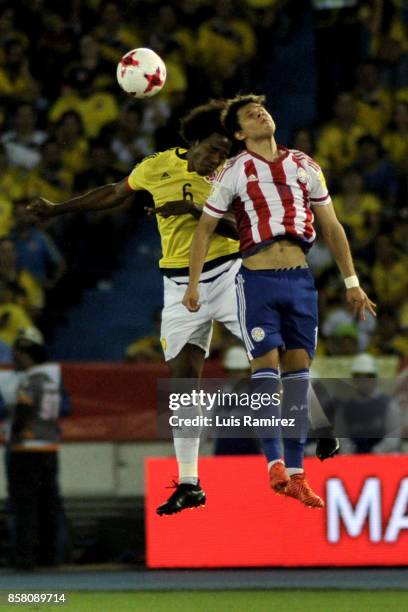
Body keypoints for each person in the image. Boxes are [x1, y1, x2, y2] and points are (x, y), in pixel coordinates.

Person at [27, 100, 241, 516]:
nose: (218, 159)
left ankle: (317, 431)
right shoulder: (156, 166)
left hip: (230, 272)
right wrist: (58, 209)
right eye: (214, 149)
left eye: (224, 154)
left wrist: (197, 210)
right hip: (179, 282)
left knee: (267, 350)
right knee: (181, 381)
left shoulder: (234, 176)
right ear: (195, 142)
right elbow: (112, 194)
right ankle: (190, 482)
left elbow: (249, 229)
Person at [183, 94, 376, 508]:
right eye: (250, 115)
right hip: (257, 279)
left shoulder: (304, 165)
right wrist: (193, 285)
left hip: (301, 281)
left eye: (264, 110)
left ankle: (297, 473)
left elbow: (331, 225)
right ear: (239, 133)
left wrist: (352, 281)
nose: (261, 114)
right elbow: (204, 230)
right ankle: (274, 464)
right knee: (266, 375)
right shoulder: (233, 171)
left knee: (297, 380)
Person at [0, 327, 71, 570]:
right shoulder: (52, 377)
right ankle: (50, 555)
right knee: (48, 503)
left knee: (24, 505)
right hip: (49, 446)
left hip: (26, 449)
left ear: (25, 352)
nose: (15, 358)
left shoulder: (30, 379)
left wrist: (14, 432)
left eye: (17, 353)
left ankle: (25, 556)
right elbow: (65, 409)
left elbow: (22, 410)